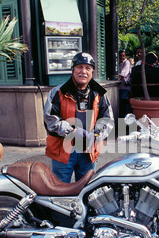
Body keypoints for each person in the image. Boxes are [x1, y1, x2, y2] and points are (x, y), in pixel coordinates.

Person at [44, 52, 114, 183]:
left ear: (92, 71)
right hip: (63, 151)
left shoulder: (99, 93)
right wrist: (72, 132)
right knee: (59, 189)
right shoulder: (57, 92)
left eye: (88, 68)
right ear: (72, 69)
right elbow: (50, 120)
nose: (83, 71)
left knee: (86, 189)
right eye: (79, 67)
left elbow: (107, 119)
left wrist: (96, 133)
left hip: (88, 150)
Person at [118, 50, 132, 117]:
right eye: (120, 56)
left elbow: (123, 73)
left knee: (124, 102)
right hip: (120, 87)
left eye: (123, 55)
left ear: (125, 56)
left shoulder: (127, 63)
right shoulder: (118, 63)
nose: (121, 57)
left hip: (125, 87)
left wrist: (118, 77)